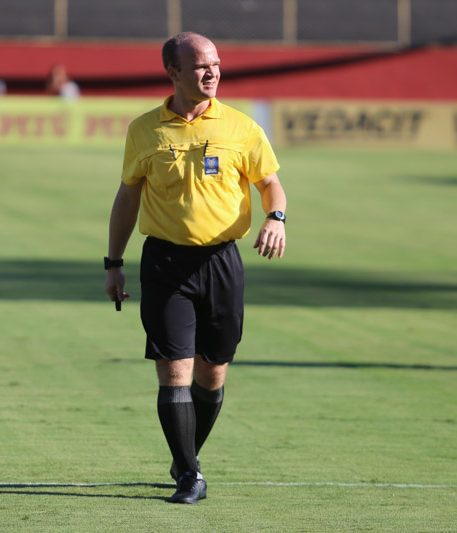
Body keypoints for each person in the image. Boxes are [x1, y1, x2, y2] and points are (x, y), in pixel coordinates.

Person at [104, 32, 286, 504]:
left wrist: (276, 217)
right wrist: (113, 263)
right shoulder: (144, 130)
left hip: (223, 261)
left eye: (217, 64)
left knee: (213, 373)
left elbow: (270, 182)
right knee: (175, 371)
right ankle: (189, 474)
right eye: (201, 65)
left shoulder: (241, 127)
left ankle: (185, 452)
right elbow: (127, 198)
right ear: (174, 72)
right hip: (165, 263)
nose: (212, 72)